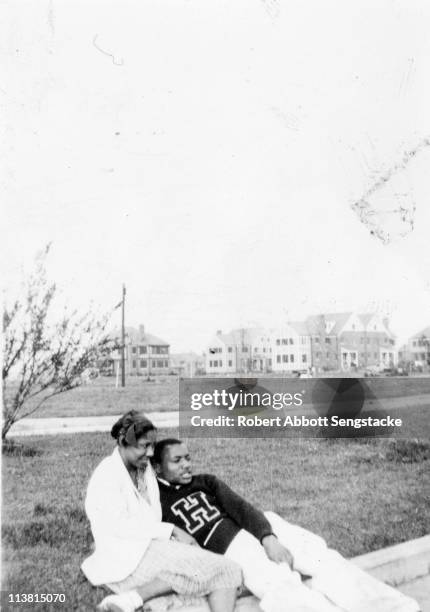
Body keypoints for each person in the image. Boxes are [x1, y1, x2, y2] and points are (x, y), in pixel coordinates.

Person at [153, 438, 420, 612]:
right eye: (177, 461)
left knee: (322, 560)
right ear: (156, 468)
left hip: (260, 527)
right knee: (279, 584)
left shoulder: (205, 481)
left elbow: (242, 508)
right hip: (231, 549)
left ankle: (398, 608)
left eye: (188, 457)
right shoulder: (156, 501)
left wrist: (268, 538)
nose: (187, 465)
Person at [81, 412, 242, 612]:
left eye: (152, 446)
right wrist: (172, 530)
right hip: (127, 556)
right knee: (225, 571)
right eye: (143, 446)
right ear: (123, 442)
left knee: (217, 575)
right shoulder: (106, 476)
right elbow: (120, 527)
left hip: (153, 547)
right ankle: (133, 599)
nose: (150, 453)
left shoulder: (143, 468)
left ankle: (131, 599)